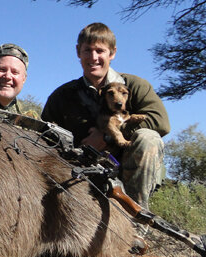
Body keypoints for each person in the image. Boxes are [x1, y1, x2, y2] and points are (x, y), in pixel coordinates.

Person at [41, 23, 169, 209]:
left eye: (100, 51)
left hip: (127, 171)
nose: (93, 57)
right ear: (78, 52)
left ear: (112, 53)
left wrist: (107, 135)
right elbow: (45, 138)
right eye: (87, 50)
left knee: (148, 138)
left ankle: (136, 218)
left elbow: (161, 122)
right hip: (80, 172)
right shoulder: (62, 95)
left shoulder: (134, 85)